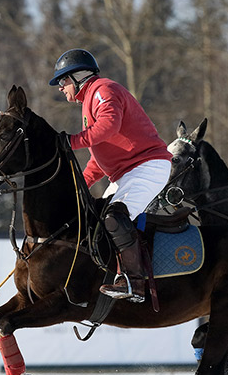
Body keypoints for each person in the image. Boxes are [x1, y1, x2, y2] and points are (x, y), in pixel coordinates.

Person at [49, 48, 172, 302]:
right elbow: (99, 156)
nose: (61, 88)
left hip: (148, 166)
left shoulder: (103, 89)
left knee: (115, 218)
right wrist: (80, 184)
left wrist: (71, 141)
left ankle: (134, 283)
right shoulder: (88, 102)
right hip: (126, 173)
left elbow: (109, 126)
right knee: (96, 223)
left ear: (79, 76)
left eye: (63, 80)